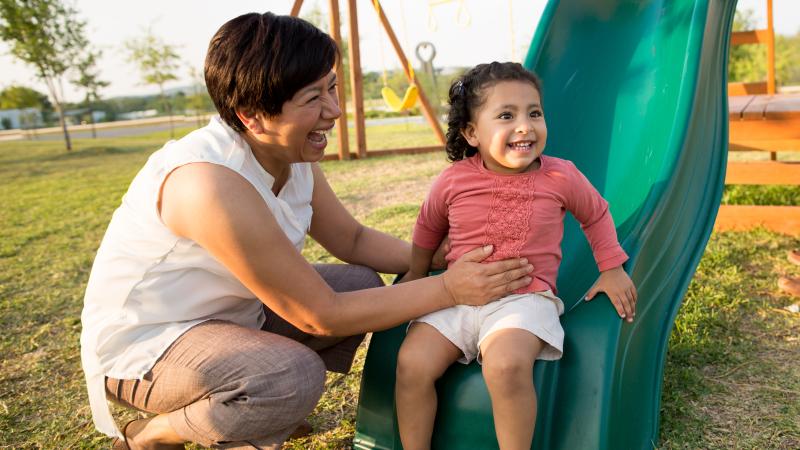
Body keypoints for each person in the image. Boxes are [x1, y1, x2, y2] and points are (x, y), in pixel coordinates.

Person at [79, 14, 534, 450]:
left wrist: (432, 258)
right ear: (252, 115)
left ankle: (253, 406)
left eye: (332, 88)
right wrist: (451, 288)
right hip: (148, 346)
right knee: (289, 376)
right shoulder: (208, 183)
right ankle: (150, 434)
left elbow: (351, 241)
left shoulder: (288, 154)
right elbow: (320, 316)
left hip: (231, 316)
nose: (334, 110)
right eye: (313, 99)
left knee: (359, 281)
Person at [394, 62, 638, 450]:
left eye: (534, 113)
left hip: (524, 300)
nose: (525, 126)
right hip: (455, 297)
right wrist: (416, 273)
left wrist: (612, 268)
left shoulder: (561, 176)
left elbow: (596, 214)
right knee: (412, 364)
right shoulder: (454, 179)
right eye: (507, 115)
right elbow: (427, 228)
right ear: (472, 133)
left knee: (506, 366)